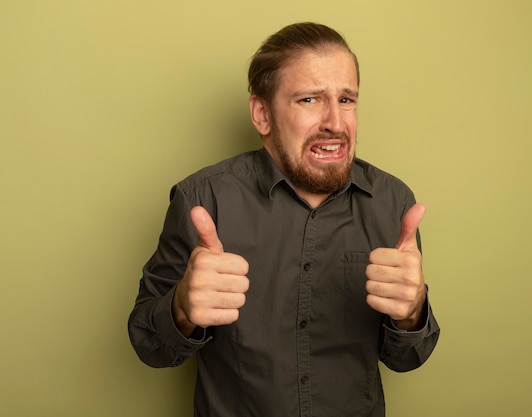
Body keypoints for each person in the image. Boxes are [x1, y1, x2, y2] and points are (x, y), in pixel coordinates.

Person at [128, 22, 440, 417]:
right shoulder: (203, 200)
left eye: (346, 100)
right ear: (262, 114)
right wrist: (180, 309)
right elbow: (148, 345)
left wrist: (412, 314)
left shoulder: (393, 204)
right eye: (310, 100)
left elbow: (408, 358)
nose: (336, 123)